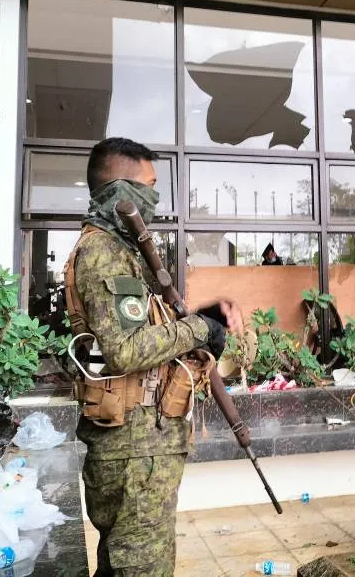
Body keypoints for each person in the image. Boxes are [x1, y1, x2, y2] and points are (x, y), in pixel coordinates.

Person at [65, 138, 244, 577]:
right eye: (150, 185)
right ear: (121, 192)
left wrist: (201, 316)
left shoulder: (118, 249)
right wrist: (199, 329)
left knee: (123, 563)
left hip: (138, 447)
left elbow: (140, 330)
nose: (156, 197)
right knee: (142, 567)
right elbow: (124, 350)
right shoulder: (103, 252)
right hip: (133, 450)